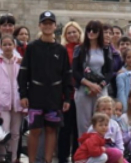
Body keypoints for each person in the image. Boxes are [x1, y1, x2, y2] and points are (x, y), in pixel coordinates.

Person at [18, 10, 73, 163]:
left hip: (54, 95)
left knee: (51, 129)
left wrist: (67, 97)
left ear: (55, 26)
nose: (48, 26)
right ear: (40, 25)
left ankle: (48, 161)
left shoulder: (61, 50)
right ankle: (32, 161)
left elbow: (66, 75)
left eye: (50, 23)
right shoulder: (32, 47)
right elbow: (23, 72)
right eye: (45, 23)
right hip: (36, 93)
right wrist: (23, 94)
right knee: (34, 130)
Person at [73, 20, 115, 136]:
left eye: (94, 30)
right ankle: (85, 151)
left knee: (102, 120)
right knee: (84, 123)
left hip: (101, 89)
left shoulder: (106, 50)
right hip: (83, 88)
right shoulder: (79, 49)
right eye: (88, 30)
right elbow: (75, 70)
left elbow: (109, 71)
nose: (91, 32)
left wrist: (100, 85)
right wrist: (89, 84)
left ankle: (101, 149)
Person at [0, 34, 26, 158]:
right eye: (4, 45)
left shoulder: (20, 62)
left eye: (10, 44)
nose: (7, 47)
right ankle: (1, 157)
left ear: (14, 46)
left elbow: (26, 83)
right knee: (4, 132)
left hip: (17, 103)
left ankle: (13, 157)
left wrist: (25, 104)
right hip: (2, 104)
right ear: (0, 47)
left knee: (16, 133)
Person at [59, 21, 84, 163]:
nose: (72, 34)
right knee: (65, 129)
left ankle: (76, 157)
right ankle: (63, 158)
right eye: (69, 32)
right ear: (65, 35)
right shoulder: (62, 50)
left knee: (78, 128)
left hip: (82, 93)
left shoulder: (83, 49)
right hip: (66, 94)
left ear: (79, 33)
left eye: (75, 32)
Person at [87, 96, 125, 163]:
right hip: (99, 154)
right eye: (103, 109)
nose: (106, 112)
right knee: (115, 153)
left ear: (113, 110)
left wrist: (120, 153)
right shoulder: (93, 127)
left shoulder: (115, 125)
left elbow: (119, 142)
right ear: (98, 110)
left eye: (109, 109)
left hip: (114, 154)